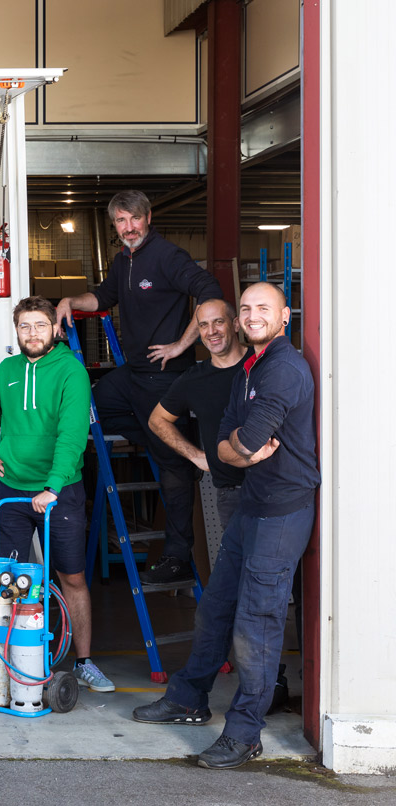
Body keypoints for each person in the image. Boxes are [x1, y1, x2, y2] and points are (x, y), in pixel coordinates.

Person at [133, 282, 319, 770]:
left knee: (257, 622)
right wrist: (234, 448)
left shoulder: (283, 369)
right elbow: (226, 444)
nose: (252, 315)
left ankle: (244, 734)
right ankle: (190, 696)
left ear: (284, 317)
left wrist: (237, 446)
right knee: (215, 606)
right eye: (246, 308)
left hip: (282, 510)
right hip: (253, 504)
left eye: (263, 308)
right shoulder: (249, 369)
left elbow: (251, 437)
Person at [55, 190, 223, 585]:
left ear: (148, 217)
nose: (128, 228)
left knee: (173, 468)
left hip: (166, 377)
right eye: (120, 221)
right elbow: (102, 297)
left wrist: (184, 343)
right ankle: (158, 436)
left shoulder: (167, 256)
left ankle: (178, 557)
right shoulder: (123, 260)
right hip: (131, 374)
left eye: (134, 219)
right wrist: (68, 300)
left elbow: (210, 290)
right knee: (92, 406)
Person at [0, 296, 115, 693]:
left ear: (55, 329)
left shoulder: (71, 372)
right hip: (11, 493)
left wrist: (52, 487)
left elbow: (72, 435)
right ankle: (11, 663)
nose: (32, 333)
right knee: (8, 580)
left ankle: (84, 662)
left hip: (59, 493)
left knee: (70, 578)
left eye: (40, 325)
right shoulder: (7, 369)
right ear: (16, 330)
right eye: (25, 326)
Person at [149, 298, 250, 532]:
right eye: (203, 325)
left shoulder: (261, 364)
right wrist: (194, 455)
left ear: (235, 324)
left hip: (272, 488)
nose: (211, 331)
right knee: (237, 567)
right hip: (231, 493)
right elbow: (157, 420)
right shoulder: (194, 379)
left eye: (218, 322)